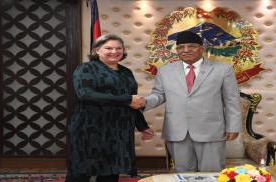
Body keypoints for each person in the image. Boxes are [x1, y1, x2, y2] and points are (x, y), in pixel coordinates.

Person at [143, 31, 242, 172]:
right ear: (176, 50)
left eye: (192, 46)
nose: (186, 50)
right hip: (177, 131)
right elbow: (158, 95)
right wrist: (143, 102)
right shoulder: (165, 71)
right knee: (183, 173)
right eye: (181, 47)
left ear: (202, 48)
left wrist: (233, 126)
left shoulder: (223, 70)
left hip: (210, 131)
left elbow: (231, 100)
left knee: (211, 173)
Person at [66, 34, 154, 182]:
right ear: (97, 50)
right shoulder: (86, 68)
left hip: (118, 131)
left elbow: (133, 102)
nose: (114, 51)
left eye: (119, 48)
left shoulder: (126, 72)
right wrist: (127, 99)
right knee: (81, 172)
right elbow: (85, 94)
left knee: (112, 172)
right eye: (108, 48)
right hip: (89, 129)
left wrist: (142, 126)